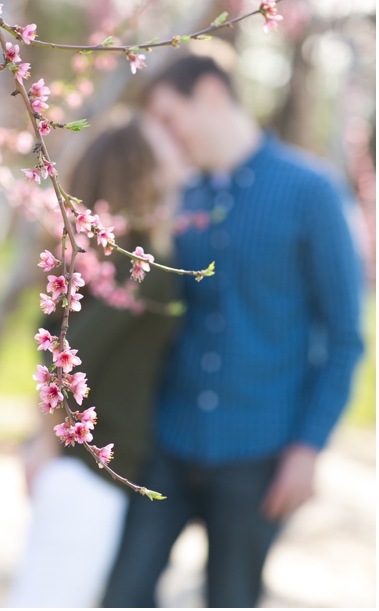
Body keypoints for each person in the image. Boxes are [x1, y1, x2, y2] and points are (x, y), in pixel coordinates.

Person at [102, 55, 364, 607]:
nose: (166, 139)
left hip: (259, 456)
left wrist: (308, 448)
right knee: (121, 596)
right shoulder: (180, 197)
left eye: (172, 119)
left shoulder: (311, 191)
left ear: (212, 94)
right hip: (167, 444)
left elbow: (345, 338)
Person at [7, 118, 187, 607]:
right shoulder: (137, 275)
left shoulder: (105, 263)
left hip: (94, 468)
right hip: (85, 473)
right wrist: (45, 440)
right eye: (163, 141)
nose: (177, 148)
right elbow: (65, 361)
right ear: (141, 170)